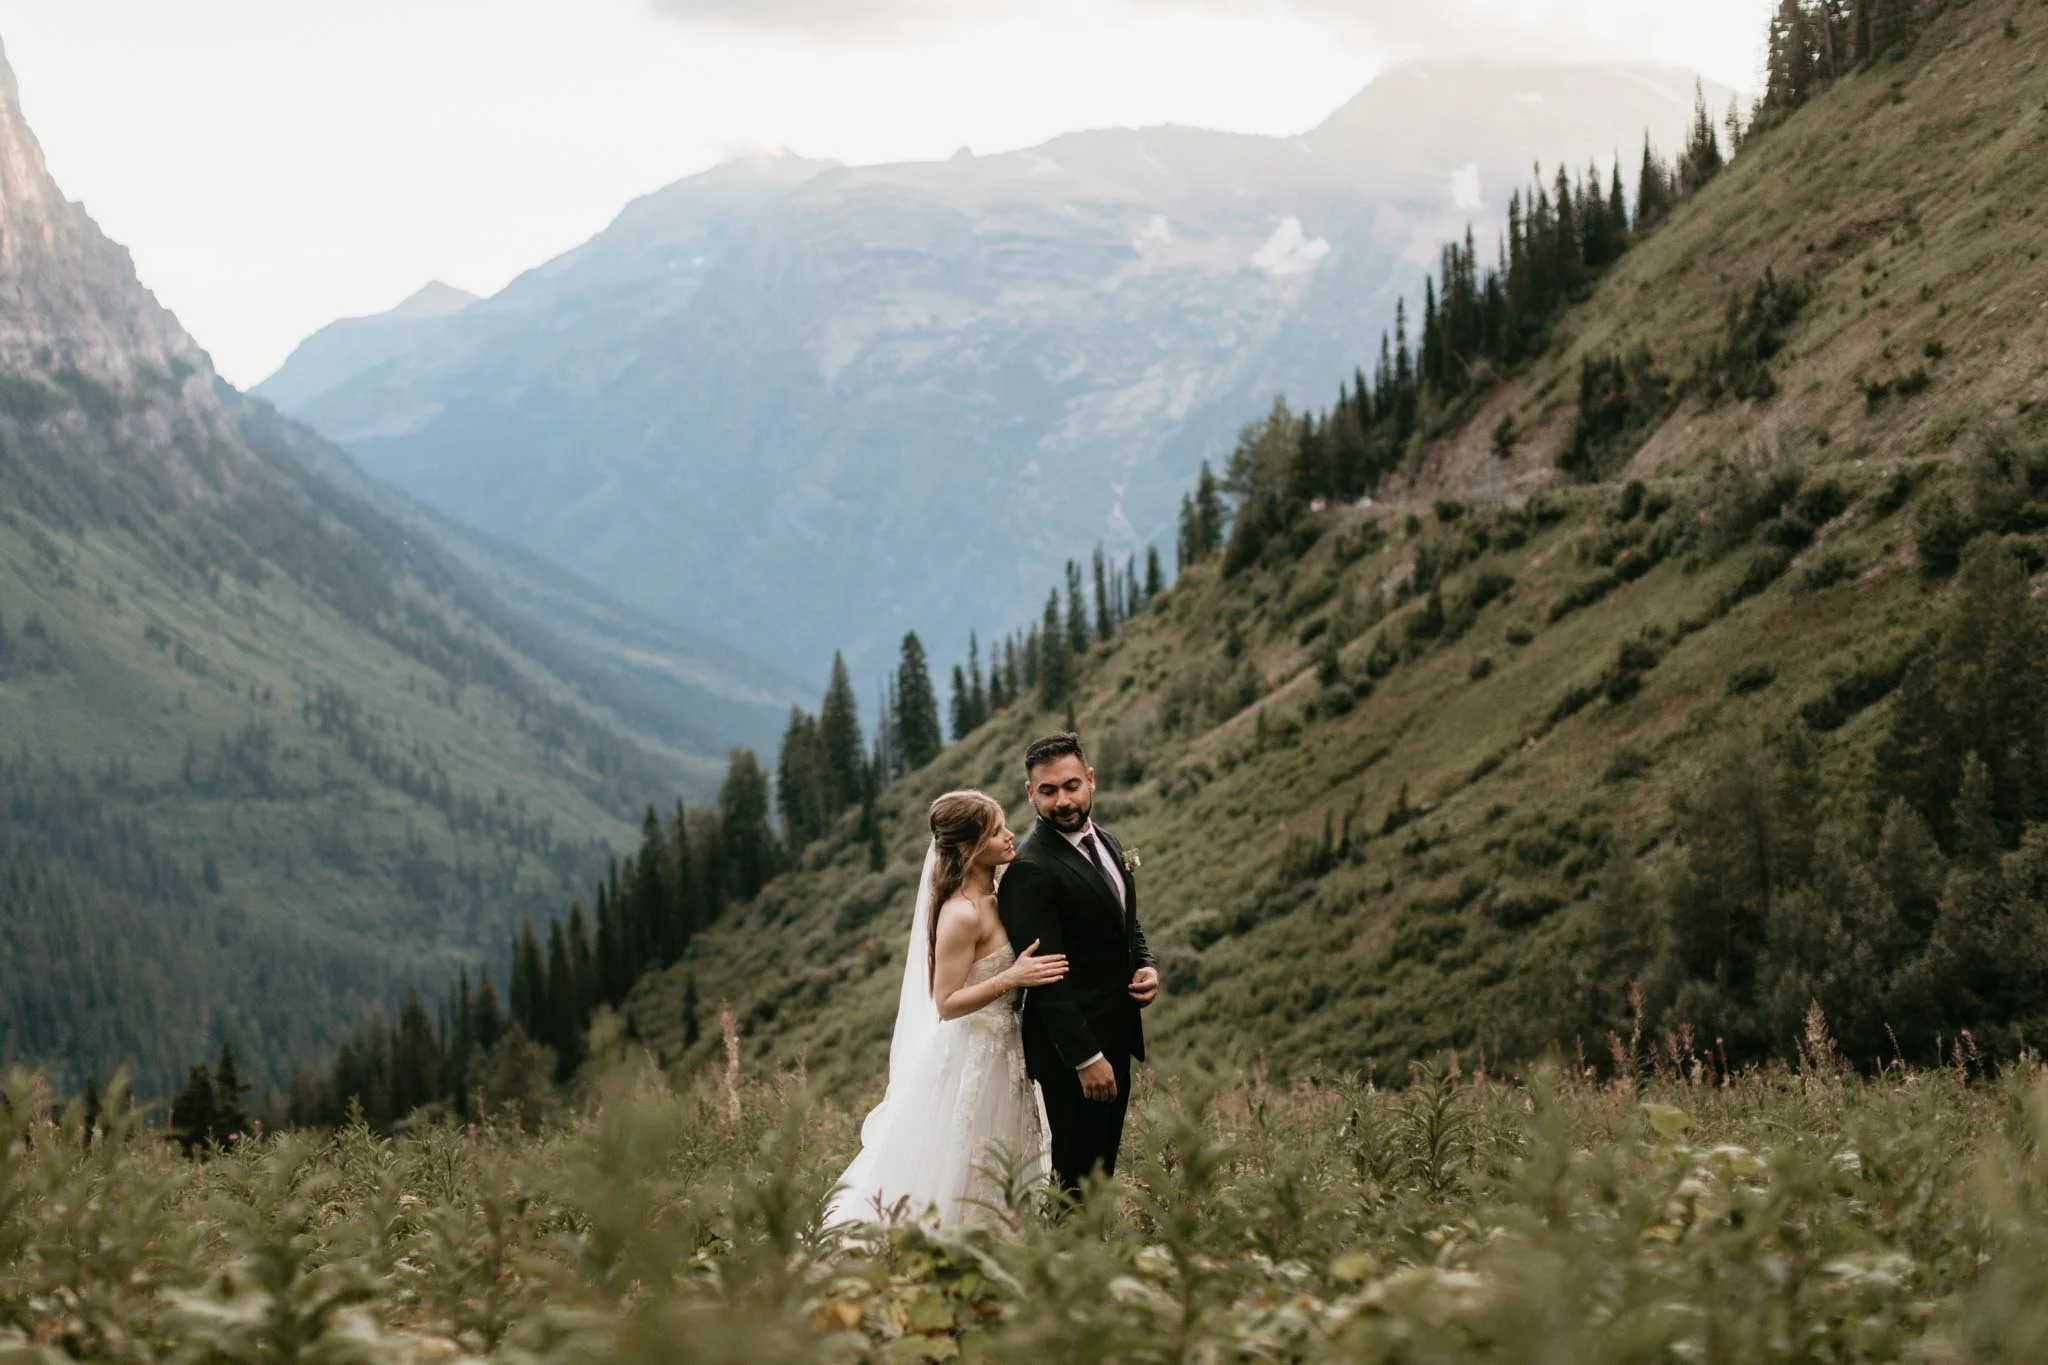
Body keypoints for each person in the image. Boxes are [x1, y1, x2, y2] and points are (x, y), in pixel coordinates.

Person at [825, 790, 1068, 1229]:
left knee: (1010, 1156)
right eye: (996, 832)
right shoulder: (960, 914)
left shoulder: (1000, 893)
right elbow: (947, 1003)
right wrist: (1011, 978)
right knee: (969, 1159)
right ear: (965, 848)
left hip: (1009, 1050)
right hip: (975, 1054)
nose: (1009, 836)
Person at [997, 732, 1160, 1198]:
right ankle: (1067, 1265)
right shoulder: (1030, 868)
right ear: (1031, 794)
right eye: (1048, 791)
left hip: (1115, 1037)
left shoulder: (1106, 840)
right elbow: (1045, 978)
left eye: (1071, 786)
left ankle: (1091, 1265)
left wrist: (1145, 965)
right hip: (1072, 1058)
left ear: (1090, 780)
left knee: (1099, 1178)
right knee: (1074, 1184)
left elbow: (1124, 920)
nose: (1063, 801)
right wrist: (1086, 1059)